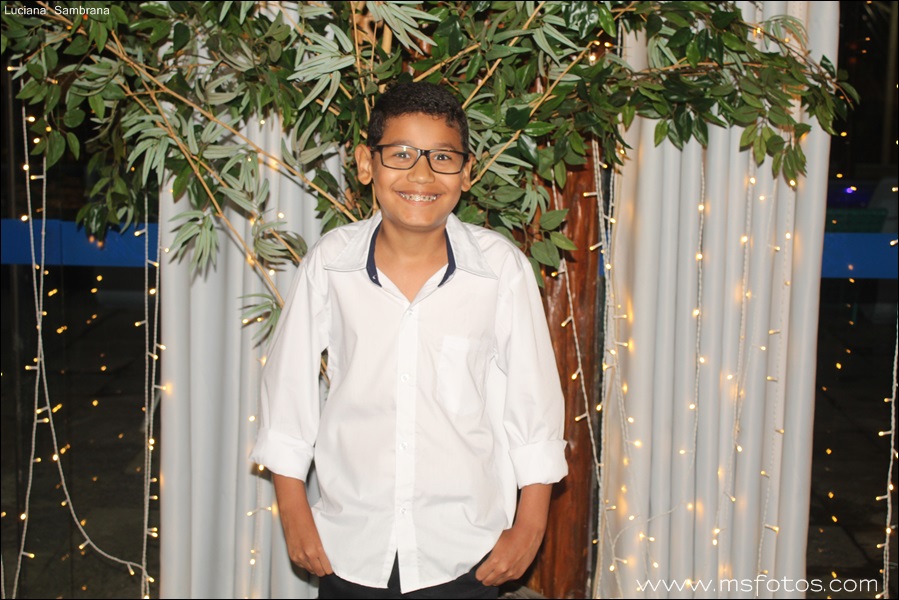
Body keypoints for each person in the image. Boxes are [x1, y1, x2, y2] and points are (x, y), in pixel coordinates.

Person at [250, 81, 568, 599]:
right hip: (351, 544)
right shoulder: (331, 263)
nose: (421, 174)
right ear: (366, 163)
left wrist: (530, 527)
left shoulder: (500, 269)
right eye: (400, 154)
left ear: (466, 172)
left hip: (464, 549)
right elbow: (287, 392)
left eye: (442, 157)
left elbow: (534, 404)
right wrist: (294, 512)